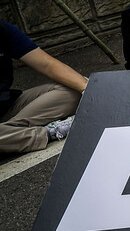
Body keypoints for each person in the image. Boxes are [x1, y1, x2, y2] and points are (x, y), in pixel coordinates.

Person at [1, 20, 86, 153]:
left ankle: (11, 134)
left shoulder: (2, 29)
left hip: (7, 106)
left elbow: (47, 64)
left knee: (72, 89)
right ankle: (47, 133)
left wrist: (87, 89)